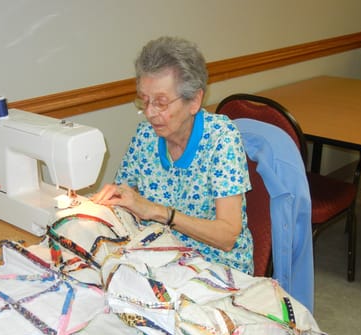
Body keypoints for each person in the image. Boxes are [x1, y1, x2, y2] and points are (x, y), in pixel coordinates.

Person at [92, 36, 253, 274]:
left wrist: (156, 211)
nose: (149, 113)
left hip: (218, 267)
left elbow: (227, 236)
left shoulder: (221, 138)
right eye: (144, 100)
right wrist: (112, 200)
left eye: (161, 102)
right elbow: (124, 194)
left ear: (194, 101)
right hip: (161, 258)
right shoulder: (145, 135)